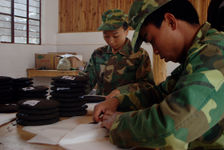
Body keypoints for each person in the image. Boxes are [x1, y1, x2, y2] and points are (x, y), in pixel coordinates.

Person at [93, 0, 224, 150]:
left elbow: (173, 127)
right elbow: (161, 93)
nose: (155, 51)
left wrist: (119, 123)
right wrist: (118, 102)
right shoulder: (198, 54)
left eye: (152, 40)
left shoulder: (216, 53)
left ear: (170, 21)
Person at [84, 9, 154, 98]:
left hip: (128, 108)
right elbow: (86, 82)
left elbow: (148, 85)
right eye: (106, 36)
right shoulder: (98, 54)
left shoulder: (139, 54)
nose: (111, 41)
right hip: (102, 106)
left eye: (115, 36)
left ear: (127, 31)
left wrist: (121, 91)